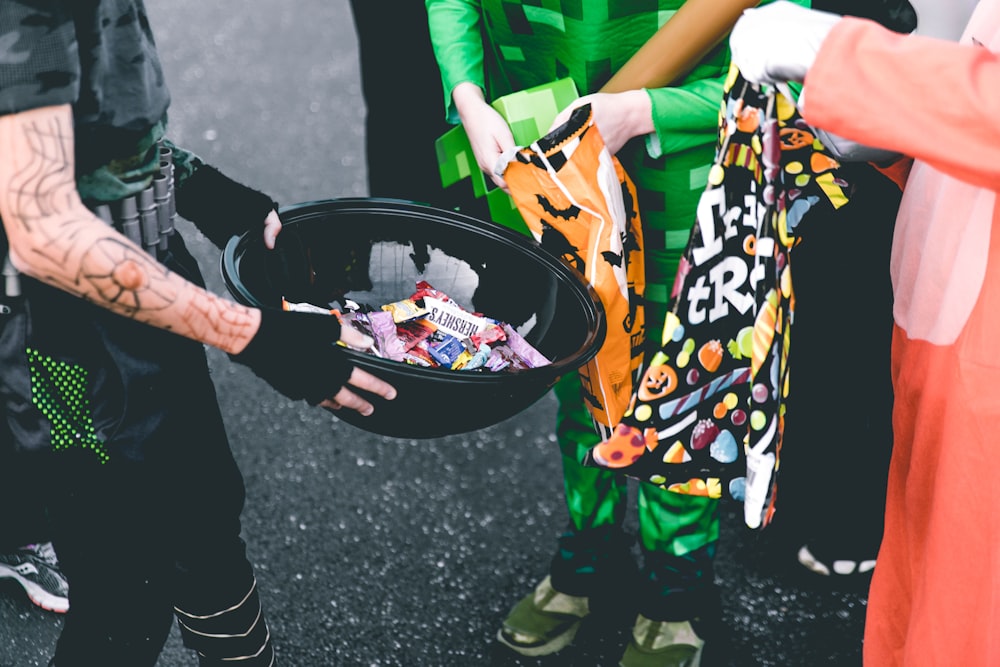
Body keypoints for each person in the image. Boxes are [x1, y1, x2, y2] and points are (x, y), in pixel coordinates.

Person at [0, 2, 396, 665]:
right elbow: (43, 231)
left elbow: (92, 130)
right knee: (123, 591)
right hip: (62, 350)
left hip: (146, 307)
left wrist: (214, 195)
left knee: (206, 523)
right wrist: (255, 336)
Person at [425, 1, 787, 663]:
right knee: (572, 361)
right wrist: (469, 95)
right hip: (551, 159)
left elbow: (794, 65)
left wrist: (644, 112)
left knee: (679, 378)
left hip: (686, 170)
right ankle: (588, 545)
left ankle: (676, 583)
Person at [729, 2, 1000, 665]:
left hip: (984, 376)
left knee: (963, 612)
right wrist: (896, 145)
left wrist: (840, 59)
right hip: (939, 326)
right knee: (916, 572)